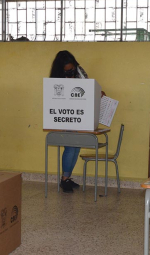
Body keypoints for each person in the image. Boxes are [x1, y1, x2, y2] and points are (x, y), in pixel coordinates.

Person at [49, 50, 104, 193]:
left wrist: (98, 93)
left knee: (76, 146)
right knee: (70, 147)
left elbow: (88, 89)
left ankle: (67, 177)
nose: (70, 72)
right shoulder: (56, 79)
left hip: (81, 115)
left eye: (71, 69)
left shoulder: (80, 71)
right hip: (66, 116)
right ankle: (64, 179)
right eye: (66, 70)